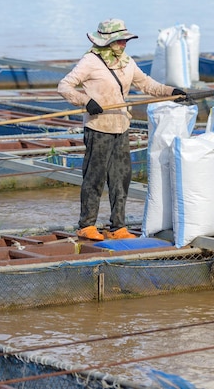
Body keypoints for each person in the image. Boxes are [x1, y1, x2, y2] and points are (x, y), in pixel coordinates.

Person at [58, 18, 186, 241]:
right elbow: (64, 86)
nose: (124, 44)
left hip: (121, 126)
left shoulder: (126, 62)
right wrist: (86, 101)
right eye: (119, 41)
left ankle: (118, 226)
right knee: (94, 177)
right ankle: (86, 225)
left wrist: (172, 91)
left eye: (125, 40)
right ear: (107, 42)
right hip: (98, 128)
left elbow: (147, 84)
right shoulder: (90, 61)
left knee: (121, 178)